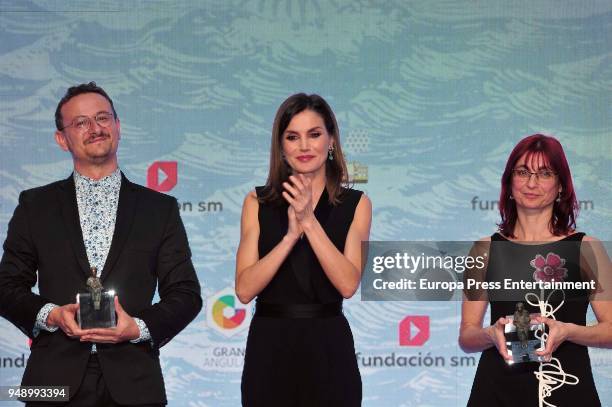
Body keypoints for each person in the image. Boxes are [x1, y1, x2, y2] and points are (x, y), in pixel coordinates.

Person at [0, 82, 202, 406]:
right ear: (61, 139)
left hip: (135, 384)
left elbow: (186, 294)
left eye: (103, 118)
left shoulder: (159, 210)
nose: (95, 128)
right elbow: (6, 287)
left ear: (118, 127)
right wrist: (52, 316)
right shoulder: (35, 206)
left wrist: (136, 328)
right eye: (80, 123)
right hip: (51, 384)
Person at [235, 93, 371, 407]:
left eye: (314, 134)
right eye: (293, 137)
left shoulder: (356, 204)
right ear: (281, 147)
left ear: (331, 140)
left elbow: (348, 283)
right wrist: (288, 238)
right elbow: (244, 289)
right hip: (270, 346)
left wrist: (309, 222)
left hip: (328, 347)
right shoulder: (257, 202)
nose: (304, 146)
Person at [459, 134, 611, 406]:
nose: (532, 183)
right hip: (496, 391)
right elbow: (467, 336)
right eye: (523, 172)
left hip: (567, 387)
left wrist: (568, 330)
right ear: (509, 182)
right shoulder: (484, 250)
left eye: (544, 173)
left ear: (561, 185)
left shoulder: (587, 248)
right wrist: (490, 334)